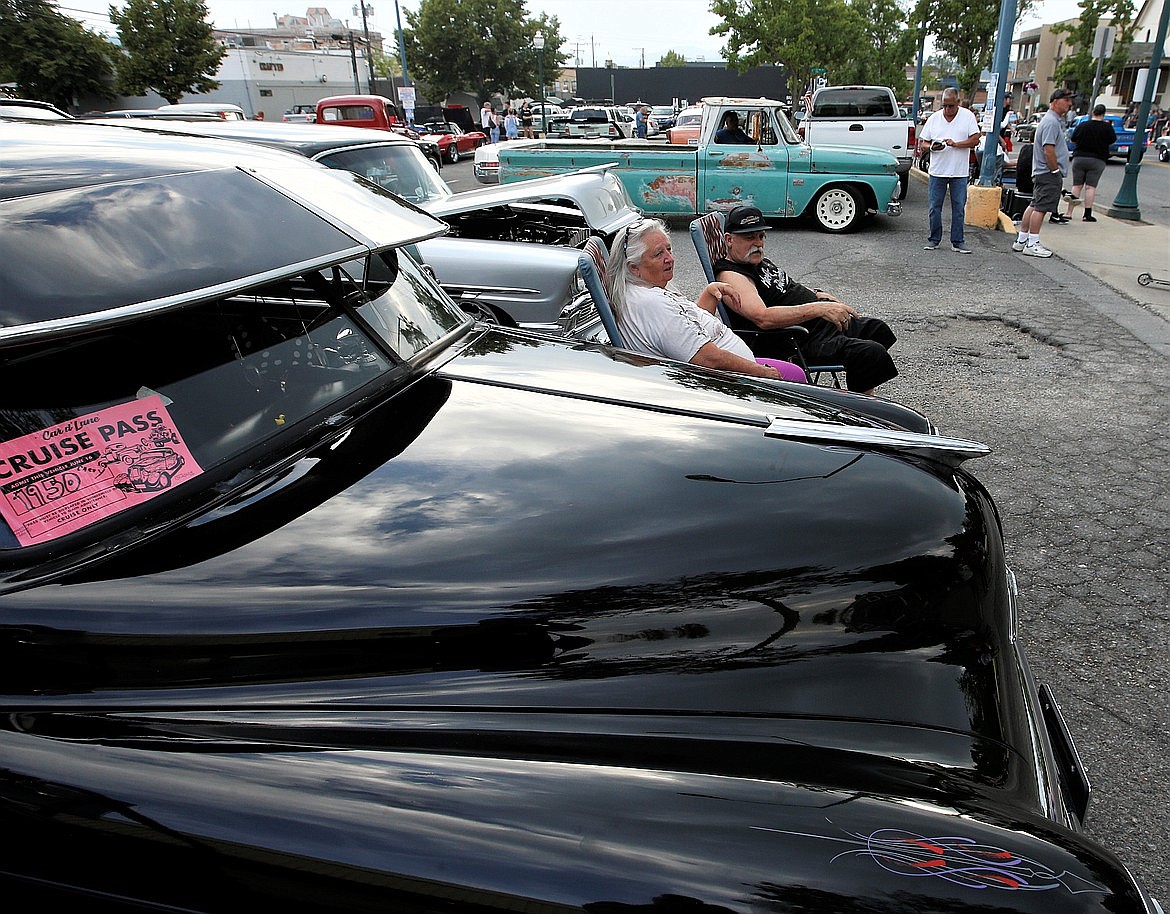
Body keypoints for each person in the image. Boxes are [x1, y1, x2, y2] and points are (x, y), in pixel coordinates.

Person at [713, 205, 898, 396]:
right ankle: (861, 408)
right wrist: (818, 308)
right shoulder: (732, 276)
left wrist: (817, 295)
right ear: (729, 239)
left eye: (761, 236)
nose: (758, 243)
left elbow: (786, 287)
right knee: (870, 352)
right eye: (749, 237)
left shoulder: (753, 260)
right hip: (796, 339)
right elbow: (763, 318)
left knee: (878, 329)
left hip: (816, 326)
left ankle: (857, 393)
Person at [604, 219, 806, 383]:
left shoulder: (646, 289)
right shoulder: (651, 304)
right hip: (726, 383)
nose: (670, 259)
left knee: (795, 372)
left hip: (732, 373)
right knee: (796, 377)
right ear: (633, 268)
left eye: (669, 249)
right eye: (658, 254)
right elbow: (707, 359)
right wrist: (761, 372)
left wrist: (709, 293)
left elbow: (688, 334)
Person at [1012, 87, 1075, 257]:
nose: (1069, 103)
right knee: (1041, 207)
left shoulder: (1050, 121)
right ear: (1055, 102)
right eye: (1066, 99)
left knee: (1034, 205)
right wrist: (1055, 170)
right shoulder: (1051, 122)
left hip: (1042, 172)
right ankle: (1032, 243)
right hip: (1047, 172)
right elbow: (1049, 150)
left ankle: (1022, 240)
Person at [917, 87, 981, 254]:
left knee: (958, 207)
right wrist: (932, 147)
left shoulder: (967, 117)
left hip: (959, 172)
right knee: (934, 207)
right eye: (944, 106)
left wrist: (956, 144)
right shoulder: (934, 119)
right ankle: (934, 239)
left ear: (958, 103)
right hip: (938, 171)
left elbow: (975, 140)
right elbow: (922, 142)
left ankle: (958, 241)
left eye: (951, 106)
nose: (947, 110)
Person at [1063, 104, 1116, 223]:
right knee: (1090, 187)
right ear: (1103, 114)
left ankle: (1069, 213)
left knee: (1076, 186)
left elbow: (1072, 139)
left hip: (1080, 158)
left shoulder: (1083, 125)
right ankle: (1087, 214)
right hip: (1098, 159)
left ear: (1093, 113)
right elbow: (1112, 141)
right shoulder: (1107, 127)